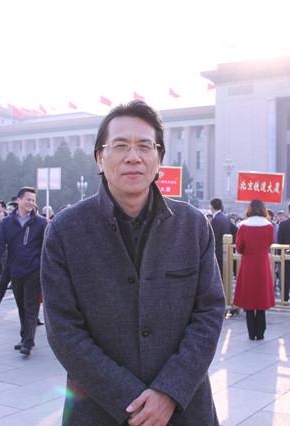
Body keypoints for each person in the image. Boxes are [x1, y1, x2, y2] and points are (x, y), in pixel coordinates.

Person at [41, 100, 225, 425]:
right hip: (98, 411)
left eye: (144, 146)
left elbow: (209, 312)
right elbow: (63, 330)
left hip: (184, 410)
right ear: (100, 157)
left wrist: (169, 392)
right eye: (120, 145)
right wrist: (129, 400)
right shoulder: (65, 230)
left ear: (159, 158)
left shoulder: (192, 225)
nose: (133, 157)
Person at [0, 187, 47, 356]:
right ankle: (25, 336)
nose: (31, 203)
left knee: (31, 306)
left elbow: (47, 246)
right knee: (21, 305)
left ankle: (28, 342)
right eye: (28, 199)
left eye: (33, 200)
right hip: (15, 268)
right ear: (19, 200)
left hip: (34, 270)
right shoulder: (8, 222)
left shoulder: (40, 222)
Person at [234, 199, 275, 340]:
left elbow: (239, 247)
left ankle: (251, 333)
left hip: (248, 263)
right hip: (263, 262)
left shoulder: (243, 226)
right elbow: (270, 243)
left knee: (249, 298)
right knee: (261, 297)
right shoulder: (269, 226)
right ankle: (261, 332)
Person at [210, 197, 231, 278]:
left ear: (211, 207)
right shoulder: (226, 218)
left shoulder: (216, 220)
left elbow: (213, 237)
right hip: (226, 251)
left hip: (217, 253)